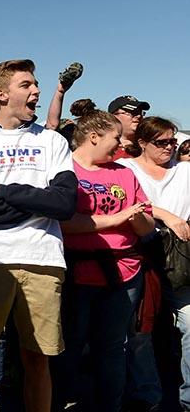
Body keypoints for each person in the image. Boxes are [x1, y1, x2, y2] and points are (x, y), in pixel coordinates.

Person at [0, 59, 77, 412]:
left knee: (38, 359)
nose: (36, 90)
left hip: (43, 260)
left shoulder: (53, 142)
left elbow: (65, 203)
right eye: (26, 85)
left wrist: (4, 190)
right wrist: (41, 202)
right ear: (1, 94)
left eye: (35, 84)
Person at [54, 110, 155, 411]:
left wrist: (136, 220)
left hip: (124, 273)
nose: (120, 145)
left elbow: (147, 224)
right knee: (69, 347)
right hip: (77, 273)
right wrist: (117, 218)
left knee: (111, 348)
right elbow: (62, 222)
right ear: (94, 136)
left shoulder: (123, 172)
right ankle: (57, 402)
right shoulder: (64, 171)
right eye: (115, 138)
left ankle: (110, 406)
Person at [117, 117, 190, 410]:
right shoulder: (127, 169)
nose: (169, 147)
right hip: (141, 257)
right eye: (162, 142)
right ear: (143, 143)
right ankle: (149, 395)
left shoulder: (185, 170)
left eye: (173, 141)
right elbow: (131, 203)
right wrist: (168, 216)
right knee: (139, 331)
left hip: (181, 259)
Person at [108, 95, 150, 160]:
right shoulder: (103, 148)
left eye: (140, 113)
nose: (139, 116)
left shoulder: (151, 146)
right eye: (132, 112)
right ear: (113, 117)